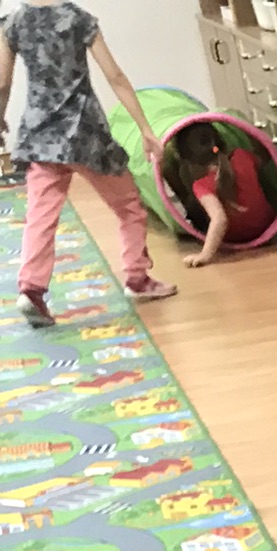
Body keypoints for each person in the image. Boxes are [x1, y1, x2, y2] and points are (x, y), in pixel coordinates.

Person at [0, 0, 176, 327]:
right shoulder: (79, 19)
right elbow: (115, 76)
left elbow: (2, 84)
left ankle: (31, 289)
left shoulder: (13, 23)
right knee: (129, 205)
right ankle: (137, 278)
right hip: (86, 134)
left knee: (40, 215)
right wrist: (145, 128)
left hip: (41, 136)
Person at [166, 121, 276, 267]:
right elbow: (265, 160)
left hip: (234, 236)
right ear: (221, 142)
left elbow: (220, 219)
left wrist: (205, 254)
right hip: (266, 225)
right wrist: (253, 135)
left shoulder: (201, 185)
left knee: (197, 211)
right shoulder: (242, 156)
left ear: (186, 159)